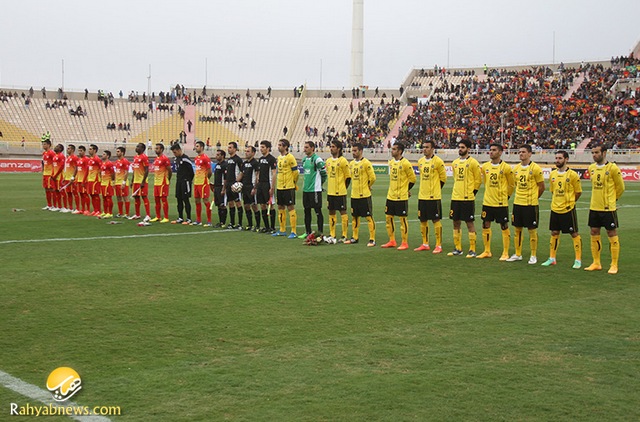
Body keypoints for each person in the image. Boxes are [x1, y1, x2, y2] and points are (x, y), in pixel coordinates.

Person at [585, 144, 625, 274]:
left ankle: (614, 264)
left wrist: (613, 200)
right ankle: (596, 262)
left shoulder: (613, 168)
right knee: (594, 232)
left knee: (611, 233)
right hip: (594, 206)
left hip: (608, 208)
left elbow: (620, 187)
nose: (594, 155)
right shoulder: (591, 168)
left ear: (604, 153)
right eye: (593, 153)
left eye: (597, 152)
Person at [541, 150, 583, 269]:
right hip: (555, 208)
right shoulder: (553, 174)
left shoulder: (573, 175)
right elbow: (553, 191)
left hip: (568, 209)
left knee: (574, 233)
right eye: (556, 158)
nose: (557, 160)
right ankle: (552, 258)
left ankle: (578, 260)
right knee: (554, 232)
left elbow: (578, 192)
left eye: (560, 158)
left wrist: (570, 202)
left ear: (566, 159)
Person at [505, 145, 545, 264]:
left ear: (530, 154)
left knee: (532, 230)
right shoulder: (516, 168)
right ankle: (518, 254)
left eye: (523, 152)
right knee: (517, 229)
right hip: (518, 203)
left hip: (530, 204)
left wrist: (534, 198)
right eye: (519, 152)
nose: (521, 154)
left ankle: (533, 255)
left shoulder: (536, 168)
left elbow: (542, 187)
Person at [476, 143, 515, 260]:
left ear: (500, 152)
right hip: (487, 202)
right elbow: (485, 182)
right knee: (485, 224)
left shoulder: (506, 168)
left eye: (494, 150)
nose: (491, 152)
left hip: (500, 202)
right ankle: (487, 251)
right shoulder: (485, 167)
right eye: (490, 150)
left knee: (503, 225)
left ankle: (505, 252)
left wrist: (505, 197)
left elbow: (511, 185)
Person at [448, 140, 482, 257]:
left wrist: (472, 192)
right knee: (455, 222)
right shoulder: (455, 163)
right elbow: (455, 178)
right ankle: (458, 248)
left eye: (463, 147)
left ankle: (472, 249)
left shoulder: (473, 163)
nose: (460, 149)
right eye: (459, 147)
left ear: (468, 149)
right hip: (455, 197)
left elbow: (478, 180)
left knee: (469, 223)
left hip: (467, 198)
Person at [381, 142, 416, 250]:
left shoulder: (405, 163)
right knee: (388, 218)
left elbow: (413, 179)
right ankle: (392, 240)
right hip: (390, 195)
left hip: (401, 196)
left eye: (395, 149)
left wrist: (406, 190)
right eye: (392, 149)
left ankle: (404, 242)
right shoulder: (391, 162)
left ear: (400, 151)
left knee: (402, 220)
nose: (392, 151)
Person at [415, 140, 447, 254]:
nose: (424, 149)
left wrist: (436, 190)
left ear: (432, 148)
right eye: (423, 147)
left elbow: (443, 179)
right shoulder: (420, 161)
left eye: (427, 147)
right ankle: (425, 243)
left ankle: (438, 245)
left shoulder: (438, 161)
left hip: (434, 197)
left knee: (435, 220)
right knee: (422, 220)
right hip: (422, 196)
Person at [345, 143, 377, 246]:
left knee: (368, 217)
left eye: (355, 151)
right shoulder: (352, 164)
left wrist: (368, 186)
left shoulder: (366, 163)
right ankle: (355, 237)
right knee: (354, 217)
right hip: (354, 195)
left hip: (364, 195)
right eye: (352, 151)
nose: (353, 153)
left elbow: (373, 178)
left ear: (361, 151)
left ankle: (372, 239)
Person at [324, 140, 351, 243]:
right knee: (331, 211)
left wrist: (343, 188)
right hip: (330, 192)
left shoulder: (343, 161)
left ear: (339, 148)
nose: (331, 148)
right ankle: (332, 234)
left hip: (340, 192)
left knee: (342, 212)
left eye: (333, 147)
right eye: (330, 146)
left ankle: (344, 235)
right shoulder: (328, 161)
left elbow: (348, 177)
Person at [272, 139, 299, 238]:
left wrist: (293, 183)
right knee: (280, 207)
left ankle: (293, 231)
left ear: (286, 147)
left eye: (280, 145)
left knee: (290, 207)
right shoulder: (278, 158)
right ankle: (282, 230)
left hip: (288, 186)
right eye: (278, 145)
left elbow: (295, 173)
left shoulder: (291, 157)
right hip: (280, 186)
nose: (278, 147)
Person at [300, 141, 327, 238]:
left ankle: (320, 232)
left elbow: (324, 173)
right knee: (306, 211)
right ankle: (307, 231)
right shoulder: (304, 160)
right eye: (304, 147)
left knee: (317, 211)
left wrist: (320, 184)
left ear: (312, 148)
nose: (305, 149)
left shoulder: (317, 159)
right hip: (306, 190)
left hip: (315, 190)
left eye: (307, 147)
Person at [170, 143, 194, 225]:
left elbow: (191, 172)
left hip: (185, 181)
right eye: (173, 152)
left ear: (179, 150)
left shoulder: (185, 159)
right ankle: (180, 217)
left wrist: (188, 180)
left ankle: (189, 218)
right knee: (179, 199)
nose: (174, 154)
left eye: (175, 152)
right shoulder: (176, 159)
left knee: (185, 199)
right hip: (179, 181)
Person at [256, 140, 278, 233]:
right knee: (262, 205)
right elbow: (259, 172)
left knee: (271, 205)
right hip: (261, 184)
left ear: (268, 148)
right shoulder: (260, 159)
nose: (261, 149)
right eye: (261, 147)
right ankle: (266, 226)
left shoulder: (272, 159)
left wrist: (272, 187)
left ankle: (272, 227)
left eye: (263, 147)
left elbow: (274, 173)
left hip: (267, 184)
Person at [192, 141, 213, 226]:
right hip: (196, 182)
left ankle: (209, 221)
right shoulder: (196, 158)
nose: (196, 147)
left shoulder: (205, 158)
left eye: (197, 146)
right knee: (197, 201)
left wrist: (206, 179)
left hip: (203, 183)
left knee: (205, 201)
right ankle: (198, 220)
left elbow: (210, 171)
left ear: (201, 147)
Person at [240, 146, 261, 231]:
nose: (246, 153)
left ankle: (258, 225)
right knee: (246, 206)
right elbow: (241, 174)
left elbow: (257, 175)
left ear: (253, 153)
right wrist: (235, 183)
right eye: (246, 151)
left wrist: (255, 187)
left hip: (251, 187)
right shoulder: (244, 163)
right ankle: (250, 224)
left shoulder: (255, 163)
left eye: (248, 151)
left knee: (254, 206)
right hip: (244, 187)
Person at [128, 143, 151, 220]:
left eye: (138, 147)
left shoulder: (144, 157)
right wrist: (132, 180)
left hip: (142, 181)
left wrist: (143, 181)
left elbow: (147, 170)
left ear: (142, 149)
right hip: (135, 181)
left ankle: (148, 215)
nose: (136, 148)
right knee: (136, 197)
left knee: (144, 197)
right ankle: (137, 214)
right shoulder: (135, 157)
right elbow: (135, 170)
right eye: (136, 146)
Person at [150, 143, 172, 223]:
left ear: (162, 149)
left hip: (163, 182)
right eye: (155, 148)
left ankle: (166, 217)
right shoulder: (156, 159)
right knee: (156, 200)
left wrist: (168, 179)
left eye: (157, 148)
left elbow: (169, 170)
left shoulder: (164, 159)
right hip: (156, 182)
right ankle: (158, 216)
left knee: (163, 199)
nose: (156, 150)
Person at [224, 141, 244, 229]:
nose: (229, 149)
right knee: (230, 203)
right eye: (228, 147)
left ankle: (239, 223)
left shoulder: (238, 160)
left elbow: (242, 172)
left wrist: (236, 183)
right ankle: (232, 223)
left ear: (235, 149)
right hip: (228, 184)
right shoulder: (228, 160)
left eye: (230, 147)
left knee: (238, 203)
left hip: (234, 185)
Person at [211, 150, 228, 227]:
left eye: (218, 155)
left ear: (222, 156)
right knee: (218, 205)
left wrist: (224, 189)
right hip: (217, 187)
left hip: (221, 187)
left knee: (222, 205)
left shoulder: (225, 165)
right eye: (216, 154)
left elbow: (225, 178)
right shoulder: (217, 165)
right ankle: (220, 221)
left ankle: (223, 222)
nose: (216, 156)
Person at [113, 147, 131, 218]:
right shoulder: (117, 161)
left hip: (123, 182)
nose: (117, 153)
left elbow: (126, 172)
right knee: (118, 197)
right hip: (117, 182)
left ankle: (127, 214)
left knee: (125, 197)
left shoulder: (125, 161)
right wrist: (114, 181)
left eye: (118, 151)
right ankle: (120, 212)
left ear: (122, 153)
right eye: (116, 151)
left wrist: (124, 182)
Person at [85, 144, 103, 217]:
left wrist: (100, 177)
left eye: (90, 149)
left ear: (94, 150)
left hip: (95, 180)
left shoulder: (97, 159)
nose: (89, 151)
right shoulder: (90, 159)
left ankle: (98, 210)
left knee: (96, 195)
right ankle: (95, 210)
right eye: (89, 149)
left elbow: (101, 168)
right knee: (91, 195)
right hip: (90, 179)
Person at [61, 144, 79, 213]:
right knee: (68, 193)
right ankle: (70, 208)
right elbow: (68, 169)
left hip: (72, 179)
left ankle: (77, 208)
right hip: (67, 178)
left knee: (75, 193)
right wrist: (64, 177)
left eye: (69, 148)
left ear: (72, 150)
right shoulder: (68, 158)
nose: (67, 149)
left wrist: (73, 177)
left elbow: (76, 168)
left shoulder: (74, 158)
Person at [41, 139, 56, 210]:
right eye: (43, 144)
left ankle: (54, 205)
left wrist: (53, 173)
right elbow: (43, 162)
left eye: (44, 144)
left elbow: (55, 164)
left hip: (50, 174)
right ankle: (49, 205)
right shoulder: (44, 153)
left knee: (51, 189)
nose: (43, 146)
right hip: (45, 174)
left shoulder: (51, 153)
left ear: (48, 145)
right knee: (46, 189)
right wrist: (43, 169)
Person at [99, 150, 115, 218]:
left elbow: (112, 173)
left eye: (104, 154)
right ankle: (105, 211)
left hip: (108, 183)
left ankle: (110, 213)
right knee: (104, 198)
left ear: (107, 156)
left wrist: (112, 181)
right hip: (103, 182)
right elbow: (100, 172)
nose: (102, 155)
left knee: (108, 198)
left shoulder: (109, 163)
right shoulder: (102, 163)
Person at [74, 146, 89, 215]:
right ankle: (82, 209)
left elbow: (87, 171)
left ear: (84, 151)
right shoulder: (79, 160)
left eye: (81, 151)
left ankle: (88, 209)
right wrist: (76, 179)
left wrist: (84, 180)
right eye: (79, 151)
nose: (80, 152)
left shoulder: (86, 159)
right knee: (81, 194)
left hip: (84, 180)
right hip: (79, 179)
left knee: (85, 194)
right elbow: (77, 170)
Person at [51, 144, 66, 212]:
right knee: (56, 191)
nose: (55, 147)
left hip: (59, 176)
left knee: (61, 191)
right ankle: (59, 206)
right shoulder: (54, 156)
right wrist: (52, 175)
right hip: (54, 176)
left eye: (57, 147)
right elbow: (54, 167)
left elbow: (61, 167)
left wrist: (56, 175)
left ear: (60, 149)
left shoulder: (61, 156)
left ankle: (65, 207)